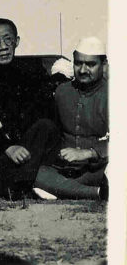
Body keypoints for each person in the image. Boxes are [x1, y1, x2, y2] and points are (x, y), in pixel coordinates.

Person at [0, 18, 59, 199]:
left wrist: (4, 122)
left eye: (8, 39)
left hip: (32, 149)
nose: (3, 46)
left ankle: (15, 185)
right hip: (2, 154)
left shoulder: (33, 73)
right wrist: (8, 148)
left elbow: (44, 111)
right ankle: (21, 184)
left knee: (46, 126)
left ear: (16, 42)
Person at [33, 37, 108, 200]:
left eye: (90, 64)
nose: (82, 70)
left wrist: (90, 153)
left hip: (101, 167)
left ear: (104, 65)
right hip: (69, 170)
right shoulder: (62, 91)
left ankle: (65, 190)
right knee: (36, 172)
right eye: (78, 63)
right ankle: (99, 193)